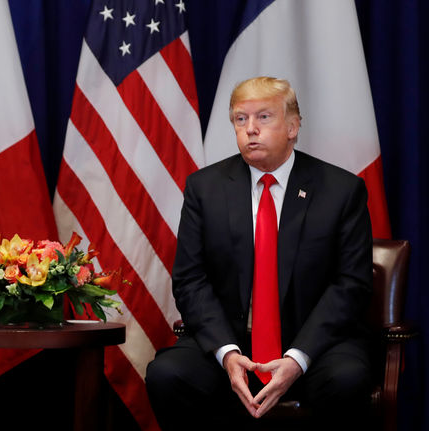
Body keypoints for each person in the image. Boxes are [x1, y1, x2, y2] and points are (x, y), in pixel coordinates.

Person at [145, 77, 373, 429]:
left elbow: (351, 285)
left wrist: (297, 358)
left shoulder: (342, 191)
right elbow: (190, 280)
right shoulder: (204, 189)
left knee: (347, 379)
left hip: (314, 345)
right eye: (240, 119)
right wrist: (227, 353)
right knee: (167, 374)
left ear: (293, 126)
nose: (250, 129)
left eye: (263, 117)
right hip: (231, 341)